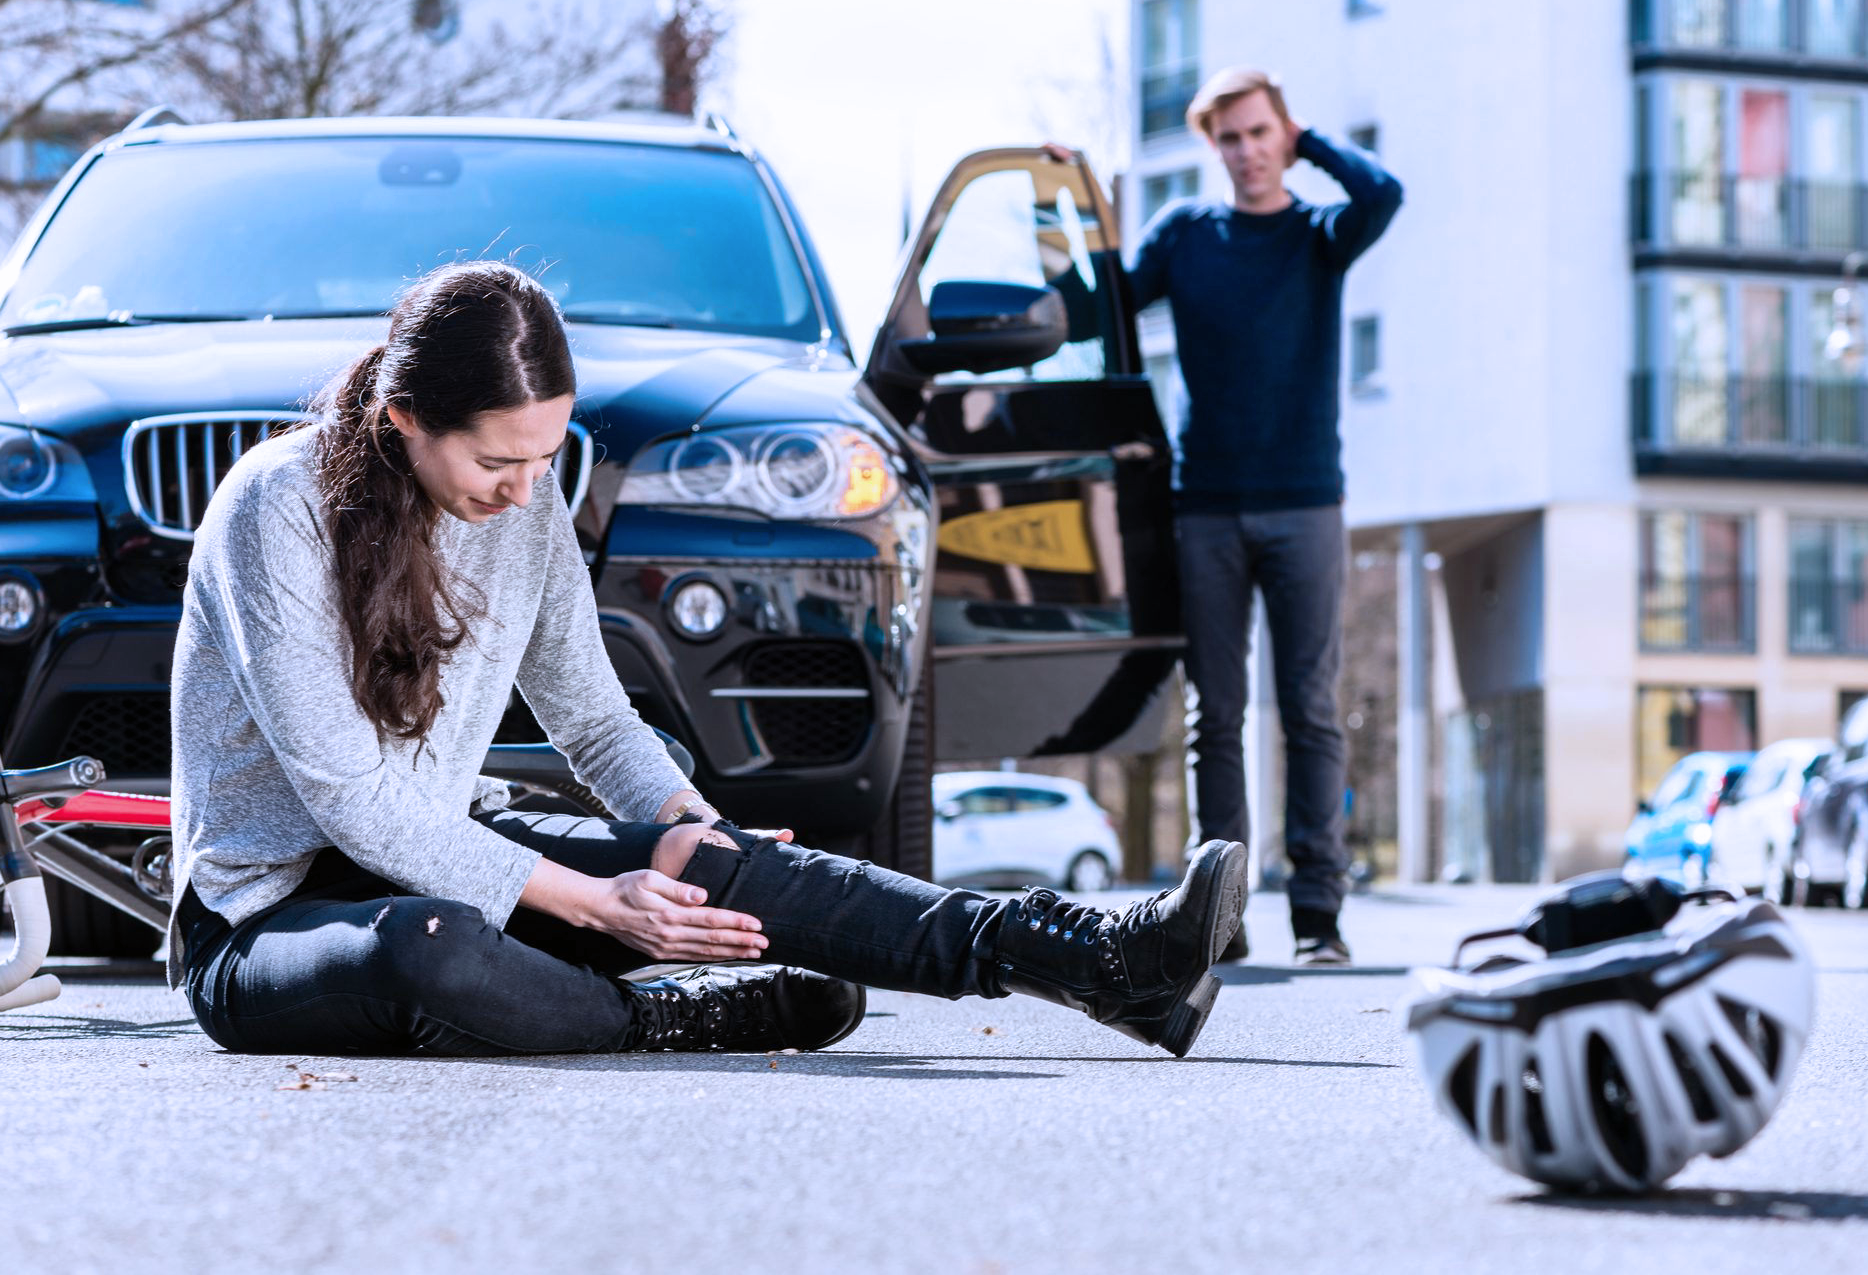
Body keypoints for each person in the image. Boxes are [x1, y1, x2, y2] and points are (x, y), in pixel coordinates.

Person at [167, 260, 1249, 1059]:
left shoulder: (525, 501)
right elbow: (351, 801)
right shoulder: (279, 507)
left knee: (699, 859)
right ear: (405, 417)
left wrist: (694, 828)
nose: (524, 487)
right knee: (431, 946)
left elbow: (592, 722)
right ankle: (666, 1015)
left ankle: (1098, 962)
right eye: (498, 459)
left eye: (547, 455)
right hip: (267, 924)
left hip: (446, 845)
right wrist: (598, 906)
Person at [1127, 68, 1403, 965]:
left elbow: (1383, 192)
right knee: (1217, 716)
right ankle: (1222, 912)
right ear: (1214, 150)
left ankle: (1319, 915)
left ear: (1283, 133)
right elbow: (1108, 297)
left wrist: (1309, 136)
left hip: (1306, 505)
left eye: (1260, 133)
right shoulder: (1186, 236)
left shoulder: (1321, 236)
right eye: (1231, 139)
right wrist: (1072, 193)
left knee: (1313, 711)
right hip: (1204, 504)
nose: (1246, 152)